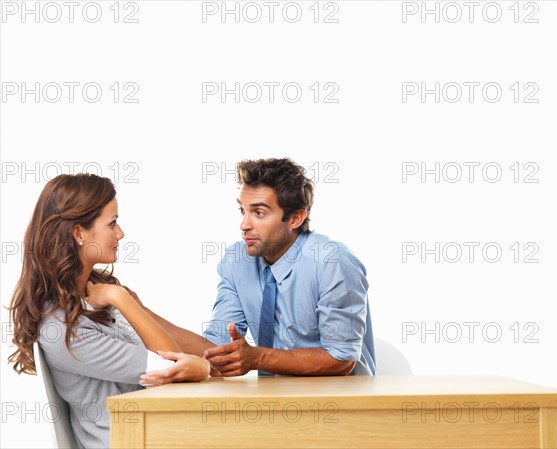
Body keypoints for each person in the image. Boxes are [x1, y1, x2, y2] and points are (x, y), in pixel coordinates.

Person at [7, 173, 210, 449]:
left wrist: (219, 354)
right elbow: (175, 365)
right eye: (112, 223)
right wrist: (121, 298)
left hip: (159, 432)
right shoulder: (62, 329)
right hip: (131, 441)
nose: (121, 233)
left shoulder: (99, 292)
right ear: (79, 234)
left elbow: (174, 340)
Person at [140, 157, 375, 384]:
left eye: (259, 213)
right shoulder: (237, 261)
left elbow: (341, 359)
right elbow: (215, 349)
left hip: (343, 402)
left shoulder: (331, 261)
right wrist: (139, 311)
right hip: (272, 401)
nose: (244, 225)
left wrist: (257, 358)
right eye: (243, 211)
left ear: (295, 218)